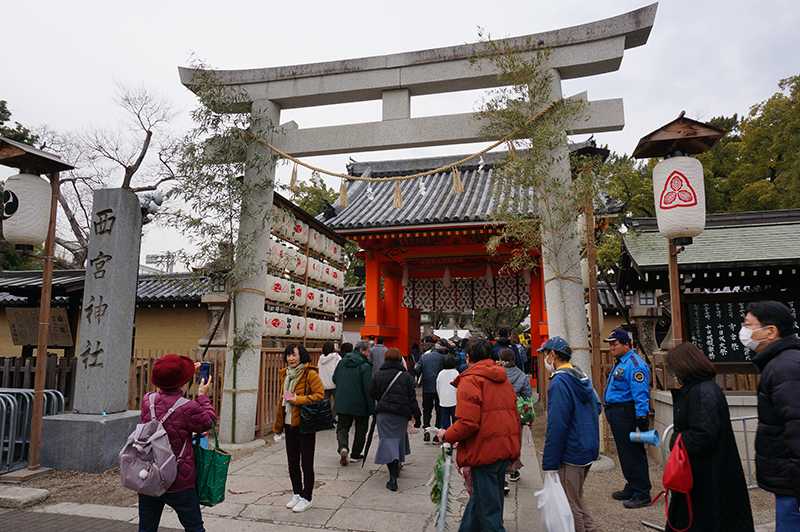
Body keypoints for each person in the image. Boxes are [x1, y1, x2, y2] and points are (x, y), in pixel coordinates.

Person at [663, 342, 754, 532]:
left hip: (707, 473)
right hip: (705, 470)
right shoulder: (700, 388)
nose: (673, 373)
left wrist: (676, 440)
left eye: (673, 368)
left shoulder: (702, 391)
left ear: (684, 366)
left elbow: (703, 435)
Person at [437, 338, 521, 532]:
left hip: (484, 451)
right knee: (481, 502)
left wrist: (447, 434)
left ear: (467, 357)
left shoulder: (471, 380)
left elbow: (468, 422)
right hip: (504, 447)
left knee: (489, 514)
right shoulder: (502, 378)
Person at [138, 354, 216, 532]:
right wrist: (203, 396)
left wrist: (183, 375)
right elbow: (209, 421)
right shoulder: (188, 407)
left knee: (146, 528)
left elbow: (167, 396)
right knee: (194, 527)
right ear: (181, 382)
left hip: (150, 475)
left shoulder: (147, 400)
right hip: (179, 478)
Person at [741, 301, 800, 531]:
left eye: (748, 325)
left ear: (771, 331)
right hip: (789, 478)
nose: (744, 331)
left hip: (792, 482)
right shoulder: (781, 362)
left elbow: (796, 426)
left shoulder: (785, 368)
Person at [539, 337, 601, 532]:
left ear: (553, 355)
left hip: (572, 450)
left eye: (545, 354)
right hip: (588, 446)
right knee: (576, 497)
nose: (544, 359)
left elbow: (557, 425)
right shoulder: (581, 375)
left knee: (570, 504)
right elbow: (598, 407)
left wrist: (550, 463)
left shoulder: (559, 381)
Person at [602, 328, 652, 508]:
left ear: (626, 345)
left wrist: (641, 417)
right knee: (625, 452)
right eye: (610, 345)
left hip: (627, 413)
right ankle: (632, 485)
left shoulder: (635, 364)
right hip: (617, 412)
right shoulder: (621, 362)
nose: (611, 348)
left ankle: (642, 492)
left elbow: (640, 394)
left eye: (615, 344)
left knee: (633, 453)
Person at [273, 343, 324, 513]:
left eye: (294, 355)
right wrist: (278, 426)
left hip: (305, 424)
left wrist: (298, 400)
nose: (291, 358)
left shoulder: (310, 373)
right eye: (288, 355)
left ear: (301, 355)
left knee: (306, 464)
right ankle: (296, 493)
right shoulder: (286, 374)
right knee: (292, 462)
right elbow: (281, 404)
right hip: (289, 424)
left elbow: (320, 396)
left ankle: (307, 497)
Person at [368, 347, 421, 491]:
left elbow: (372, 393)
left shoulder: (378, 374)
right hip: (400, 415)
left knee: (387, 441)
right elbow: (412, 398)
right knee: (397, 441)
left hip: (384, 414)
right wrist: (417, 416)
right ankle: (396, 468)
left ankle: (392, 477)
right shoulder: (405, 376)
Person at [333, 339, 375, 465]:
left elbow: (334, 378)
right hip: (360, 404)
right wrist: (371, 408)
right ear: (361, 350)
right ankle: (355, 454)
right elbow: (368, 388)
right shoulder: (365, 366)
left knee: (342, 427)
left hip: (342, 401)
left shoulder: (342, 362)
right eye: (368, 351)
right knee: (361, 429)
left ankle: (343, 447)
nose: (368, 354)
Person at [498, 348, 532, 489]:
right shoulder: (522, 376)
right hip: (516, 414)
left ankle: (503, 478)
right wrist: (530, 417)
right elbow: (528, 398)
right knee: (515, 443)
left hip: (498, 413)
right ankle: (513, 470)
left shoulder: (496, 374)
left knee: (501, 444)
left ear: (501, 360)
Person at [415, 338, 449, 441]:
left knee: (427, 409)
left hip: (427, 387)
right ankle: (437, 432)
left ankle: (426, 427)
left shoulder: (424, 357)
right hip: (440, 389)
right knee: (439, 411)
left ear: (434, 346)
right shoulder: (445, 358)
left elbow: (417, 371)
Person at [435, 355, 459, 430]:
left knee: (444, 423)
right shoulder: (455, 373)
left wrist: (440, 397)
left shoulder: (440, 373)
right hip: (454, 401)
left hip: (443, 401)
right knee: (456, 423)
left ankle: (445, 436)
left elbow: (438, 387)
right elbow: (458, 387)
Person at [317, 341, 341, 412]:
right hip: (334, 383)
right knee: (337, 402)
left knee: (325, 404)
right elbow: (340, 368)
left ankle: (326, 416)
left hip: (323, 384)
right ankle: (334, 416)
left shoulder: (321, 358)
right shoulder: (336, 357)